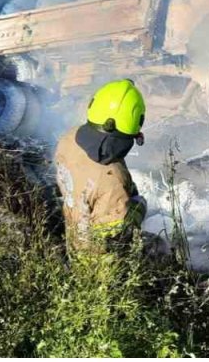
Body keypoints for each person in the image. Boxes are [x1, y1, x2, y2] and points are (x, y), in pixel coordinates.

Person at [53, 78, 148, 251]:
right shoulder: (113, 179)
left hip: (72, 230)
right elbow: (113, 236)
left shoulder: (68, 139)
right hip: (95, 260)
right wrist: (137, 208)